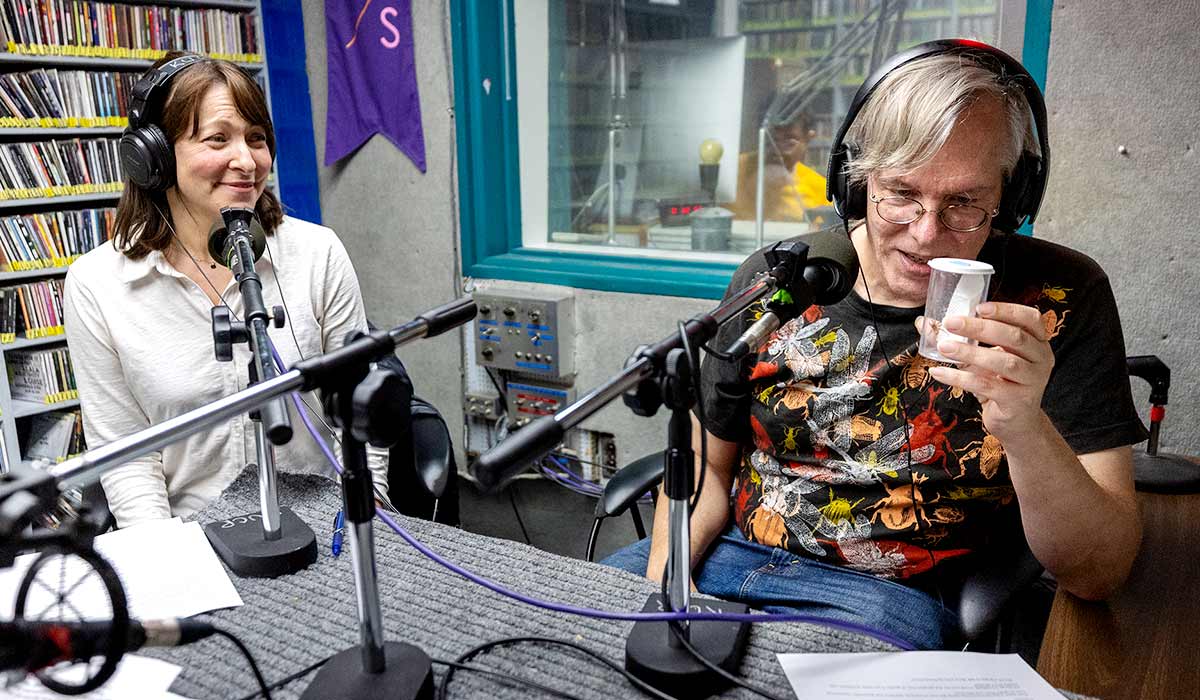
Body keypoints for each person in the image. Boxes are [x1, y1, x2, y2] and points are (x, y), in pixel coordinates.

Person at [604, 41, 1146, 649]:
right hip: (723, 555)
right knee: (573, 637)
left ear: (1011, 199)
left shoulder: (1061, 298)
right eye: (901, 193)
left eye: (964, 202)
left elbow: (1099, 573)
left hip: (886, 598)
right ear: (855, 182)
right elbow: (708, 469)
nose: (926, 233)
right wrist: (660, 597)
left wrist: (1021, 422)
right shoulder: (782, 279)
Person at [64, 53, 385, 528]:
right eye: (218, 139)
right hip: (190, 538)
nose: (246, 160)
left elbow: (361, 417)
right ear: (153, 156)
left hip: (321, 525)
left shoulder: (318, 254)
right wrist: (168, 564)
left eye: (257, 138)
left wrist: (364, 521)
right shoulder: (97, 285)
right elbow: (125, 452)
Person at [727, 112, 834, 226]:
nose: (776, 149)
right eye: (770, 139)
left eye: (789, 141)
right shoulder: (732, 170)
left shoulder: (821, 189)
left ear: (807, 138)